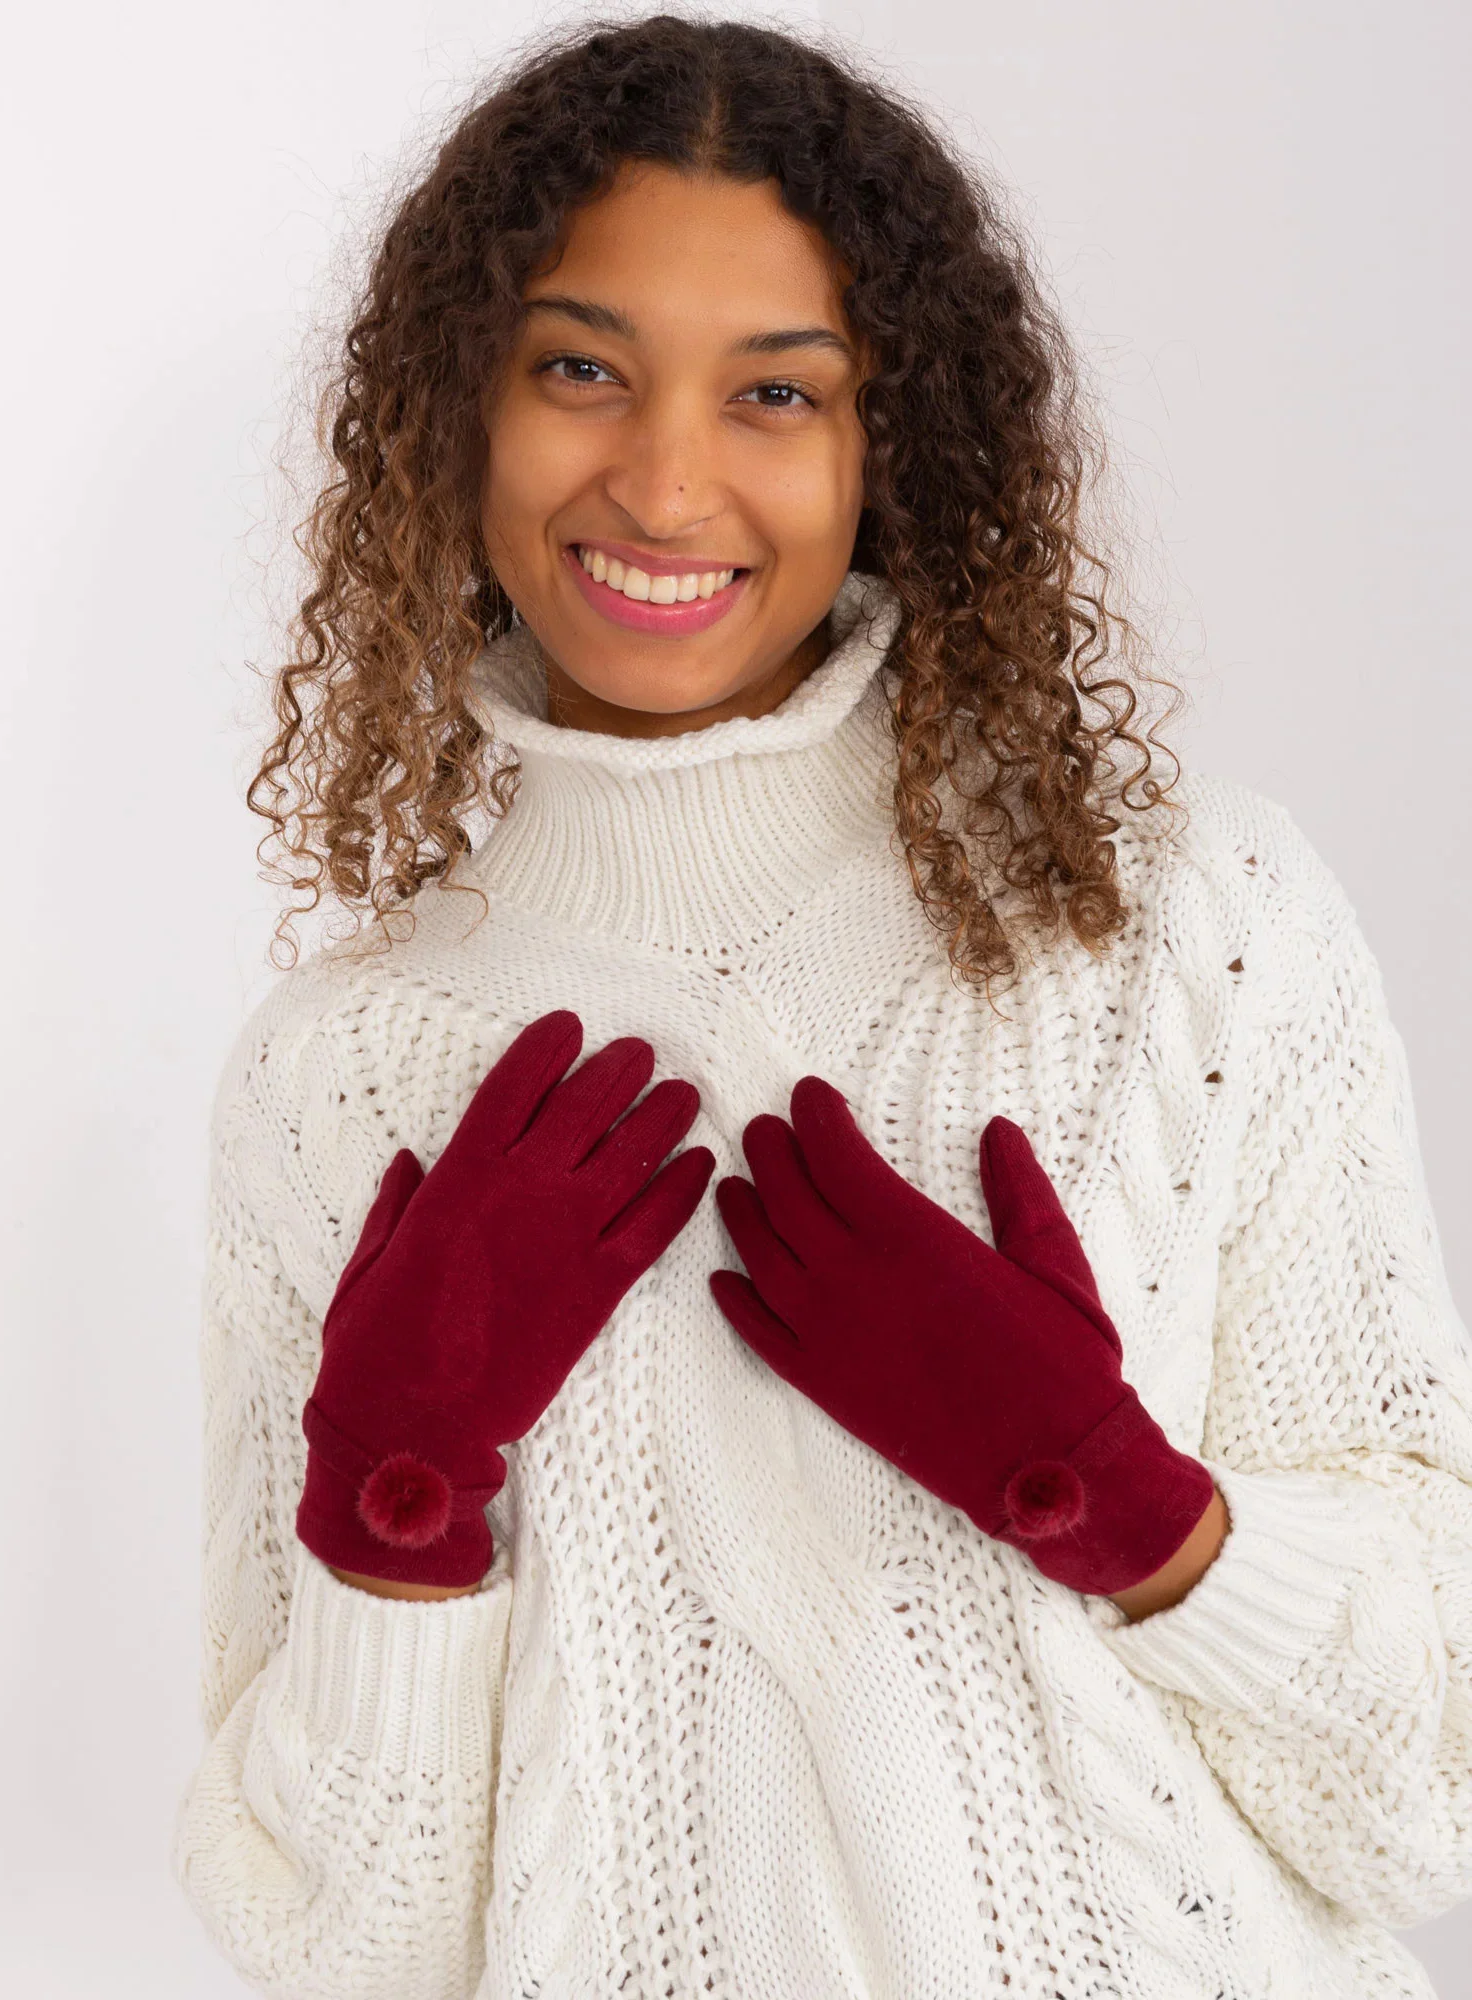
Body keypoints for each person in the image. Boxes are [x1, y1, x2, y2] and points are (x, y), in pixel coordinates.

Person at [174, 16, 1472, 1997]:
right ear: (459, 406)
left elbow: (1430, 1797)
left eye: (777, 393)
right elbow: (333, 1946)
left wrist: (1116, 1500)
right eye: (581, 368)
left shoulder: (1187, 928)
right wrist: (394, 1500)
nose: (665, 479)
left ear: (891, 450)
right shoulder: (338, 1077)